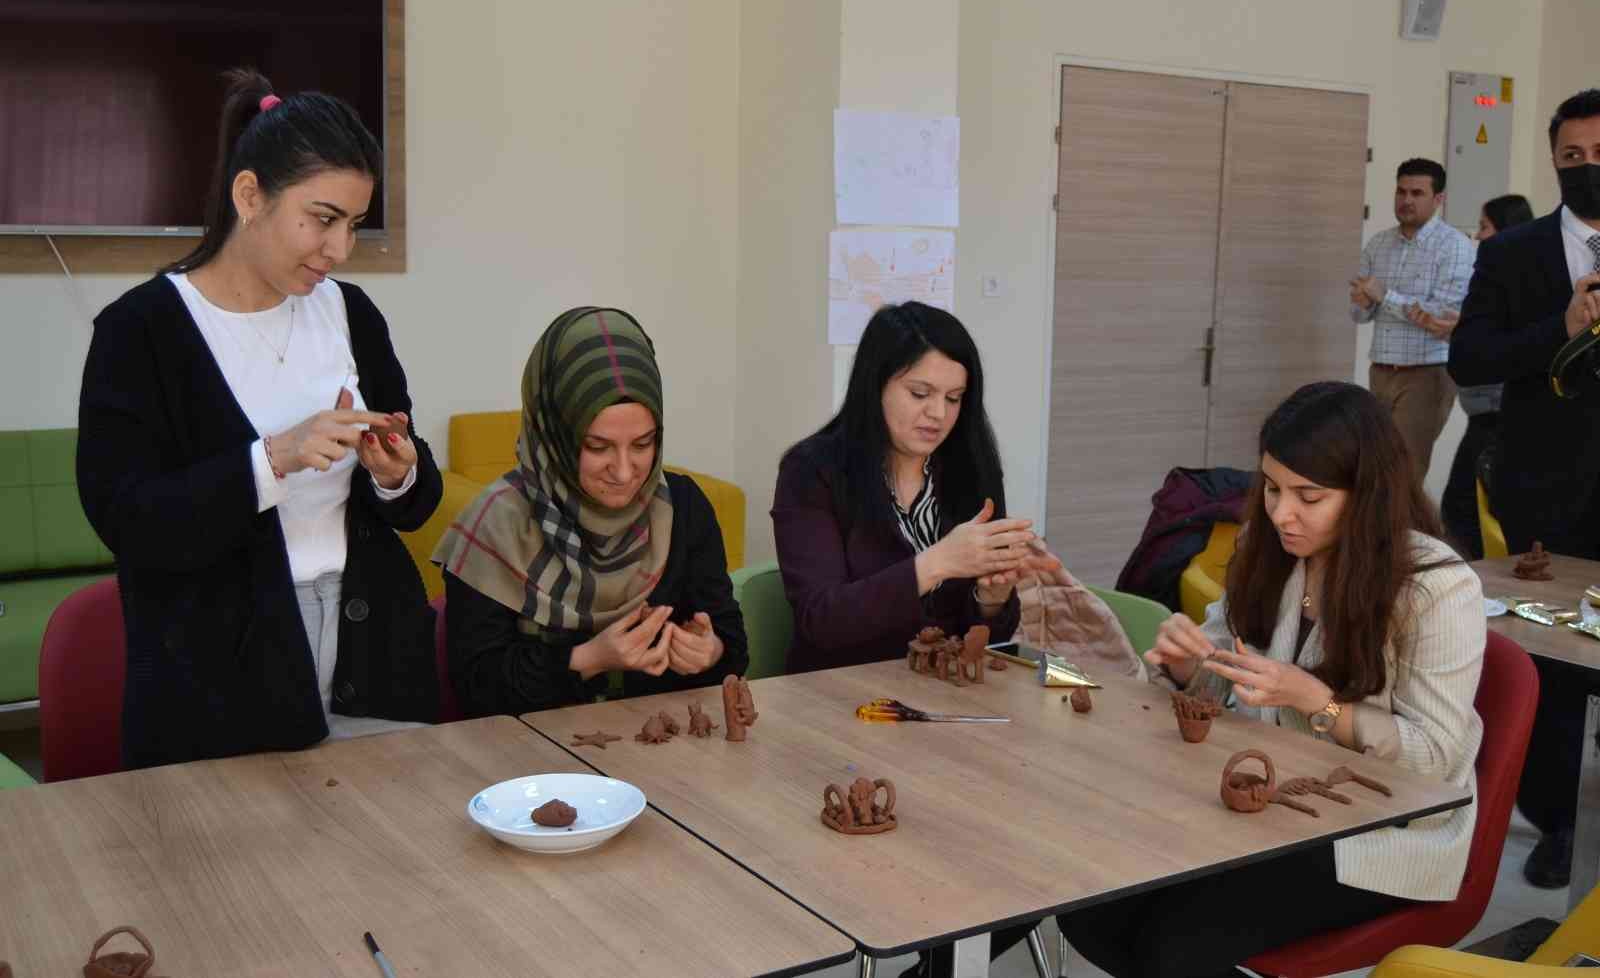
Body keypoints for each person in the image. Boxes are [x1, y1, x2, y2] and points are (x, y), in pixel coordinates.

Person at [77, 69, 442, 770]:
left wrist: (400, 472)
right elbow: (127, 520)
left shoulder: (352, 313)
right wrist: (269, 460)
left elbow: (411, 502)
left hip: (375, 657)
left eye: (354, 226)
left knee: (392, 867)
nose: (338, 250)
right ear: (250, 195)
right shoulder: (140, 332)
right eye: (322, 219)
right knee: (241, 878)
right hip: (219, 681)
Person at [1058, 382, 1484, 978]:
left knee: (1176, 944)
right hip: (1266, 801)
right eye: (1274, 489)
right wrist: (1189, 666)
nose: (1282, 513)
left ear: (1368, 493)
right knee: (1089, 909)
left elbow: (1434, 762)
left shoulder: (1437, 588)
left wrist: (1317, 702)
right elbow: (1225, 693)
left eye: (1309, 496)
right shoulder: (1273, 548)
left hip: (1377, 831)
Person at [772, 301, 1057, 978]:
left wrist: (992, 591)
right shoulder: (814, 471)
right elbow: (821, 619)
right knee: (928, 871)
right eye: (920, 392)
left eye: (955, 398)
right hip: (838, 717)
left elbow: (983, 631)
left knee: (1038, 862)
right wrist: (939, 562)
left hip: (944, 718)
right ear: (876, 386)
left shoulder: (964, 468)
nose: (938, 414)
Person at [437, 307, 748, 716]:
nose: (624, 472)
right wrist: (588, 660)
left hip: (662, 748)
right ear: (555, 435)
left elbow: (732, 644)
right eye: (597, 447)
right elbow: (476, 688)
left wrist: (709, 651)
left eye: (643, 444)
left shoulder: (681, 507)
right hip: (528, 761)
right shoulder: (497, 523)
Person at [1451, 88, 1600, 887]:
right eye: (1572, 158)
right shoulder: (1512, 254)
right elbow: (1469, 360)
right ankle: (1555, 821)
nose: (1588, 170)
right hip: (1547, 486)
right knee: (1562, 664)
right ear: (1553, 163)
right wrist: (1562, 330)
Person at [1408, 193, 1535, 558]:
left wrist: (1461, 333)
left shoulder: (1521, 282)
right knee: (1464, 509)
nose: (1477, 236)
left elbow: (1511, 347)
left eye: (1484, 227)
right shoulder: (1495, 278)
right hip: (1482, 415)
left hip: (1499, 418)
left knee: (1465, 509)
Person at [1350, 158, 1476, 484]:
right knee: (1373, 466)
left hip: (1426, 373)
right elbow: (1360, 314)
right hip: (1380, 369)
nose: (1406, 200)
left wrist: (1384, 296)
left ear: (1438, 199)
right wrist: (1364, 302)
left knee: (1405, 471)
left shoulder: (1455, 246)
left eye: (1417, 193)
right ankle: (1376, 534)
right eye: (1401, 191)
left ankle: (1406, 534)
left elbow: (1440, 317)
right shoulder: (1378, 243)